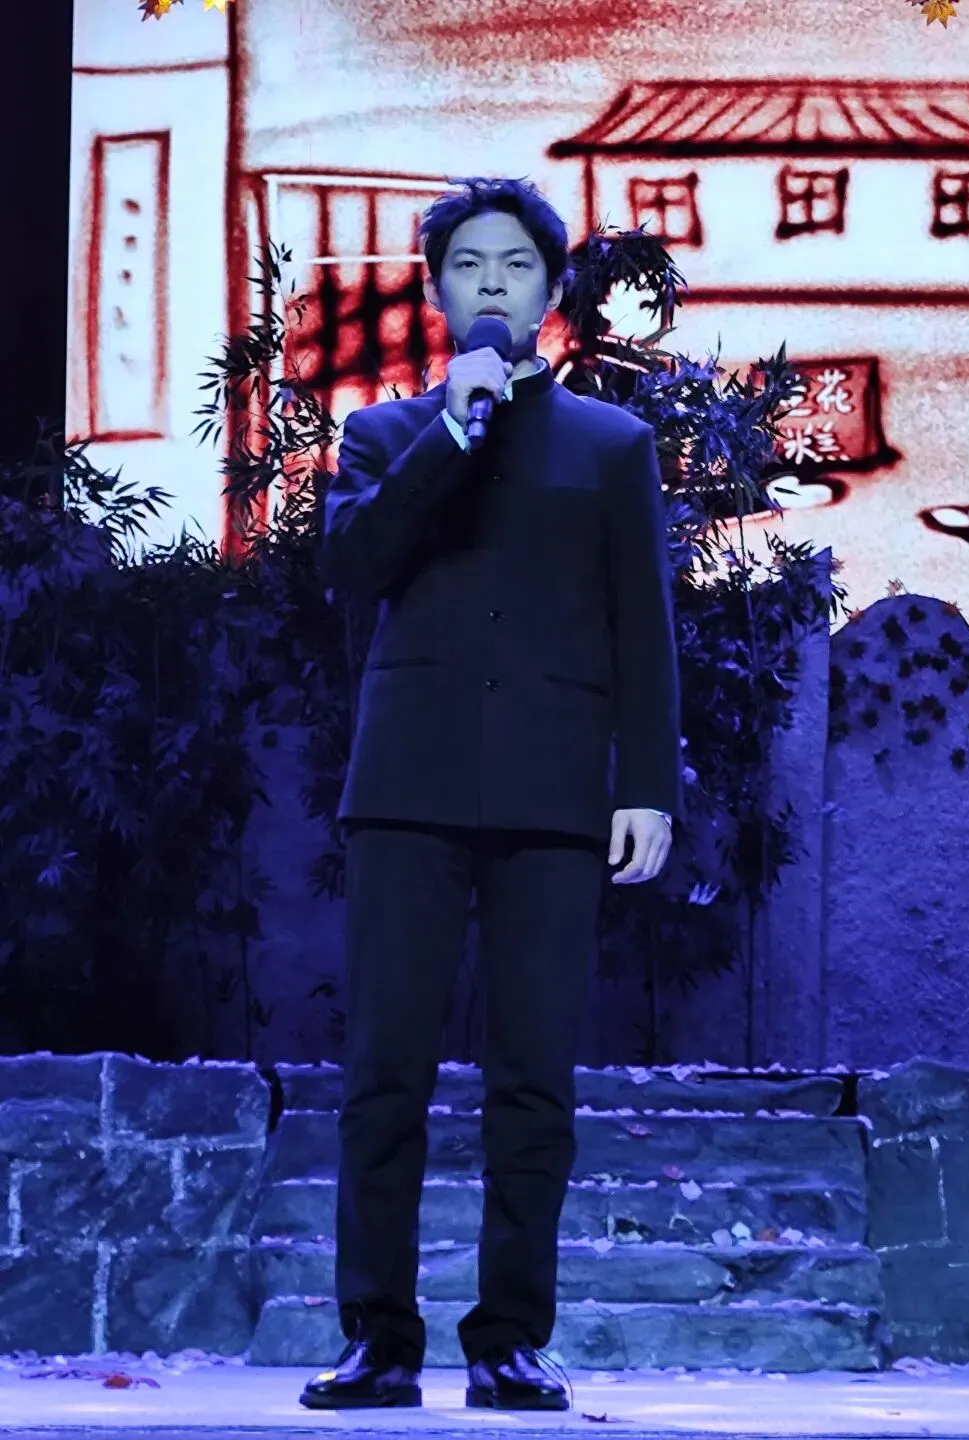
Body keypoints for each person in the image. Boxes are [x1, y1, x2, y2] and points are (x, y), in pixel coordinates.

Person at [300, 176, 682, 1414]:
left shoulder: (611, 445)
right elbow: (354, 565)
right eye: (469, 266)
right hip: (407, 785)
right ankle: (378, 1338)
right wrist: (452, 435)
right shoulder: (383, 435)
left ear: (551, 290)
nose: (493, 286)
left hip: (555, 792)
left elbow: (643, 628)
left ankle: (509, 1337)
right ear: (437, 291)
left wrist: (645, 786)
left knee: (532, 1083)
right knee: (385, 1074)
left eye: (516, 266)